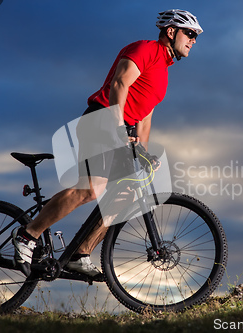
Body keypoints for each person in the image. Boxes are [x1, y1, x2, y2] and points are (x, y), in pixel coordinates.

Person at [12, 9, 203, 277]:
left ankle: (80, 254)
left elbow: (144, 118)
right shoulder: (146, 49)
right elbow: (119, 84)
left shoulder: (164, 71)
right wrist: (116, 128)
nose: (194, 39)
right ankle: (27, 234)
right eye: (190, 33)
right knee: (91, 189)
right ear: (171, 32)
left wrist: (143, 155)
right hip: (102, 121)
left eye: (196, 36)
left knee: (125, 195)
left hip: (122, 129)